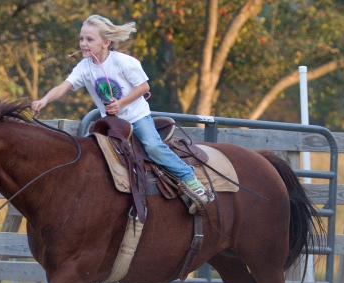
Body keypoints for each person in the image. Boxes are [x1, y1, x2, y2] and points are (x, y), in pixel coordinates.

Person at [31, 15, 212, 212]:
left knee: (153, 147)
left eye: (90, 40)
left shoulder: (124, 62)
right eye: (81, 38)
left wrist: (121, 103)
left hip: (137, 117)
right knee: (88, 151)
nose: (83, 43)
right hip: (111, 123)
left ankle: (191, 180)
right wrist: (44, 100)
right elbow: (63, 87)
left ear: (106, 43)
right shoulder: (83, 68)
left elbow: (143, 87)